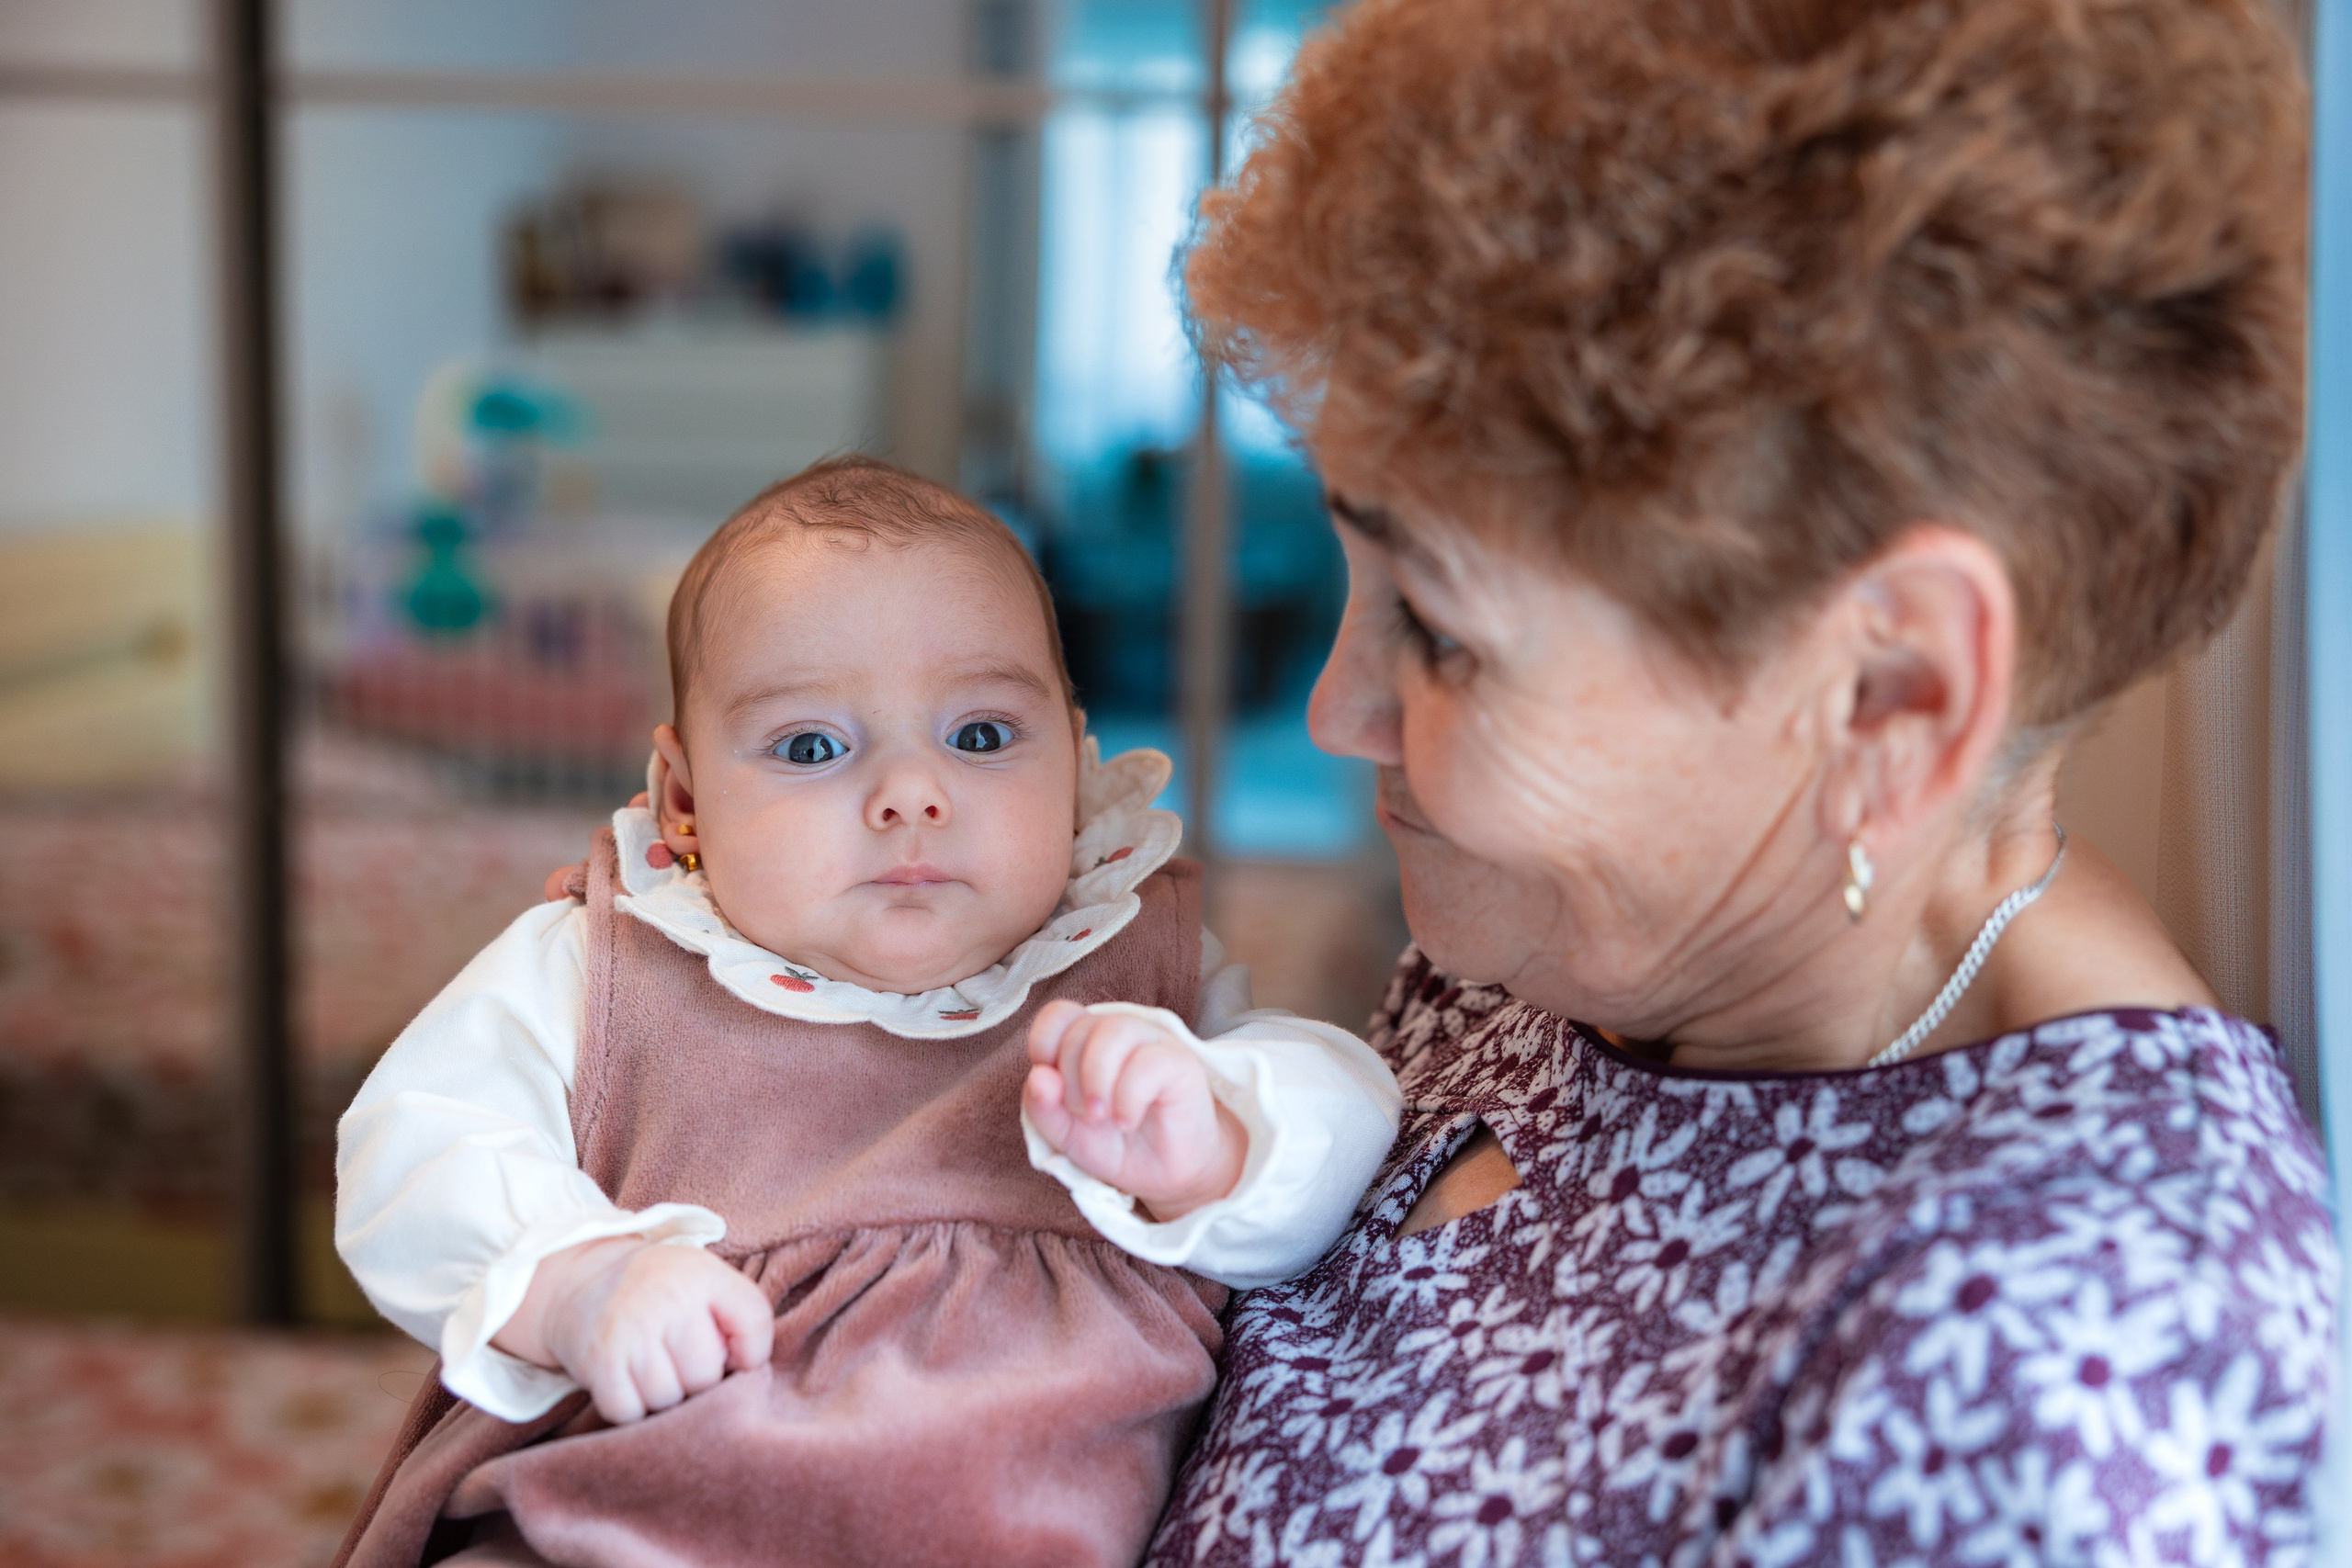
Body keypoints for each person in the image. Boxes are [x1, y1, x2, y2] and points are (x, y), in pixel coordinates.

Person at [1149, 0, 2332, 1562]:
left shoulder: (2062, 1385)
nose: (1335, 710)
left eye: (1437, 626)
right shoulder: (1597, 939)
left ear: (1892, 694)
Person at [330, 457, 1402, 1568]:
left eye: (980, 737)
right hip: (631, 1513)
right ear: (685, 800)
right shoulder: (601, 963)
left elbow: (1346, 1128)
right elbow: (415, 1141)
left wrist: (1221, 1135)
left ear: (1074, 766)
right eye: (811, 747)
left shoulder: (1132, 981)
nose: (910, 794)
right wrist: (577, 1281)